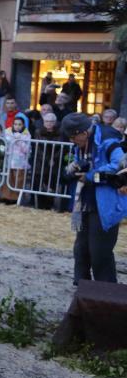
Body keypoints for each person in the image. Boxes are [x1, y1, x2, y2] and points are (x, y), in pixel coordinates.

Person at [61, 113, 127, 284]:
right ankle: (81, 285)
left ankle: (105, 290)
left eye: (73, 137)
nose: (72, 141)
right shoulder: (81, 143)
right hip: (86, 200)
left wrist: (91, 175)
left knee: (100, 251)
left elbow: (120, 165)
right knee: (81, 248)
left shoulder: (108, 140)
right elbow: (81, 162)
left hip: (106, 202)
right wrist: (74, 167)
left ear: (83, 132)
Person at [0, 113, 31, 204]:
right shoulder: (7, 132)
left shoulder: (26, 134)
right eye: (15, 124)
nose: (17, 126)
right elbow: (3, 143)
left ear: (23, 125)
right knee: (8, 180)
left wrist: (19, 140)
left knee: (18, 181)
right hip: (9, 161)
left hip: (21, 163)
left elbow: (27, 149)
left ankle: (16, 199)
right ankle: (5, 197)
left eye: (19, 124)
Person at [33, 112, 62, 210]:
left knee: (52, 183)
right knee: (41, 183)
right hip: (41, 163)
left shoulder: (59, 133)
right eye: (47, 121)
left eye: (51, 121)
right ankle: (40, 205)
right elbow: (39, 148)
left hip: (54, 163)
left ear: (55, 122)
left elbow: (61, 148)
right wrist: (48, 160)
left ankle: (50, 204)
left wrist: (54, 159)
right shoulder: (38, 132)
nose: (49, 123)